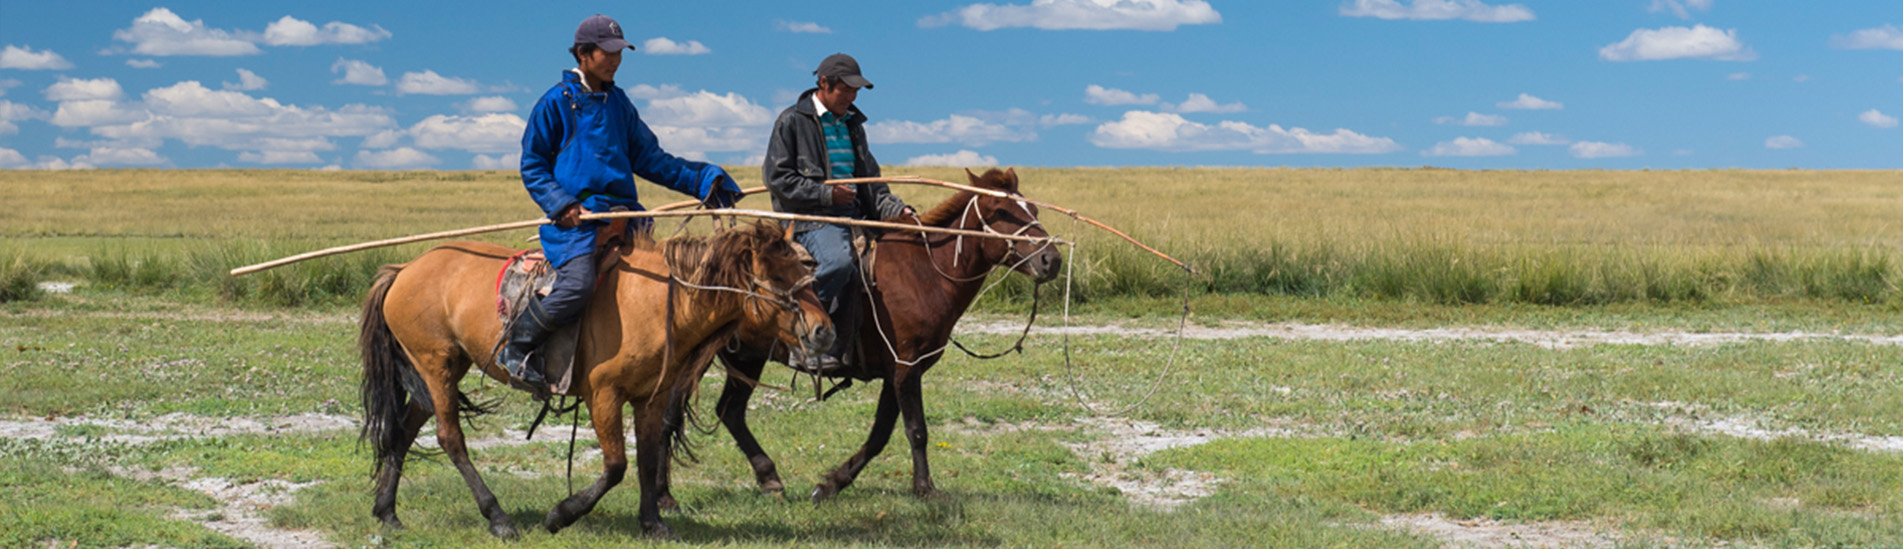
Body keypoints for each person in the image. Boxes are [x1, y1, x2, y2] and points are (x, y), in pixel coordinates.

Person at [507, 13, 742, 396]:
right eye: (608, 52)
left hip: (624, 220)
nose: (616, 60)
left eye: (620, 52)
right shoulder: (555, 103)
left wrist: (703, 181)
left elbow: (651, 159)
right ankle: (517, 348)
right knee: (577, 286)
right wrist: (562, 204)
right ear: (584, 54)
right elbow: (533, 164)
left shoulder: (619, 104)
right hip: (577, 225)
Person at [763, 53, 914, 373]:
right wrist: (826, 193)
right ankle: (811, 338)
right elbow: (778, 180)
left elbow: (872, 184)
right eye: (845, 89)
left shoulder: (853, 125)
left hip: (854, 212)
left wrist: (898, 210)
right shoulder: (791, 121)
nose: (852, 96)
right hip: (810, 217)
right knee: (839, 262)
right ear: (823, 84)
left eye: (855, 90)